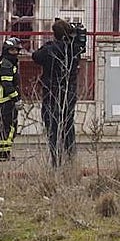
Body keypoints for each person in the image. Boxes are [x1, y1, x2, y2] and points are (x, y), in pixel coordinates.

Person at [31, 18, 86, 167]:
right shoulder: (74, 49)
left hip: (52, 92)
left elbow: (36, 56)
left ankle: (56, 159)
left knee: (53, 126)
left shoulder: (50, 49)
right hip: (69, 91)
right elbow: (80, 47)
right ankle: (71, 157)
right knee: (68, 125)